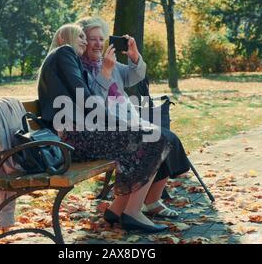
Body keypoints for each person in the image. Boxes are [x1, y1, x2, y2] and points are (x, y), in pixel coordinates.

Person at [38, 24, 173, 233]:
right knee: (152, 138)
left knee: (151, 137)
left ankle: (118, 209)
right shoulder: (65, 53)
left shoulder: (68, 59)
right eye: (80, 36)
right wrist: (119, 123)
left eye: (86, 36)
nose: (84, 41)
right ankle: (132, 212)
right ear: (65, 39)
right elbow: (86, 99)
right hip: (70, 140)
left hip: (76, 136)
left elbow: (86, 99)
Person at [76, 17, 192, 218]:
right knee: (155, 140)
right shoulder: (81, 69)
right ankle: (129, 207)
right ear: (83, 42)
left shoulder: (109, 63)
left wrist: (134, 57)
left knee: (169, 139)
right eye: (92, 39)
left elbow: (135, 76)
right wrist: (105, 72)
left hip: (130, 122)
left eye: (101, 39)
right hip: (109, 130)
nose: (98, 44)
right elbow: (92, 103)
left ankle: (152, 201)